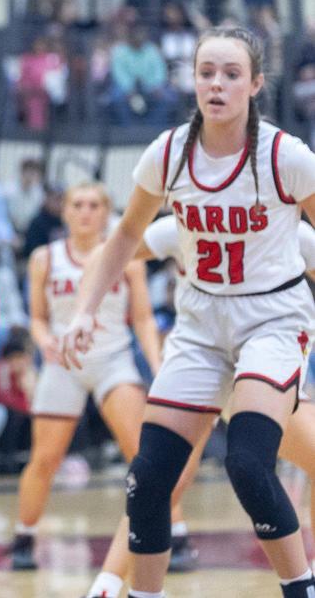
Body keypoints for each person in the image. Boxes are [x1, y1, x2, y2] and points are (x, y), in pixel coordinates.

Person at [60, 26, 315, 598]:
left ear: (255, 84)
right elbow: (125, 236)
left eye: (230, 74)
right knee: (149, 477)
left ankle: (300, 587)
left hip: (272, 321)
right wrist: (83, 311)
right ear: (192, 80)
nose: (217, 84)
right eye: (206, 73)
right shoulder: (170, 153)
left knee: (249, 464)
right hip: (199, 326)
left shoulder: (284, 156)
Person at [83, 214, 315, 598]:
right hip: (201, 363)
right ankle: (107, 585)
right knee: (155, 476)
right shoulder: (180, 225)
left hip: (261, 364)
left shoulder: (288, 229)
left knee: (268, 464)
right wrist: (85, 310)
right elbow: (111, 252)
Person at [10, 183, 196, 576]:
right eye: (77, 204)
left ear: (107, 211)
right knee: (45, 458)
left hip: (113, 359)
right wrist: (44, 342)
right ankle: (24, 536)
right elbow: (38, 318)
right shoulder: (45, 258)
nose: (85, 212)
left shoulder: (127, 255)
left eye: (94, 205)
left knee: (144, 454)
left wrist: (157, 363)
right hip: (64, 362)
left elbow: (143, 319)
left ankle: (175, 533)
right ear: (65, 212)